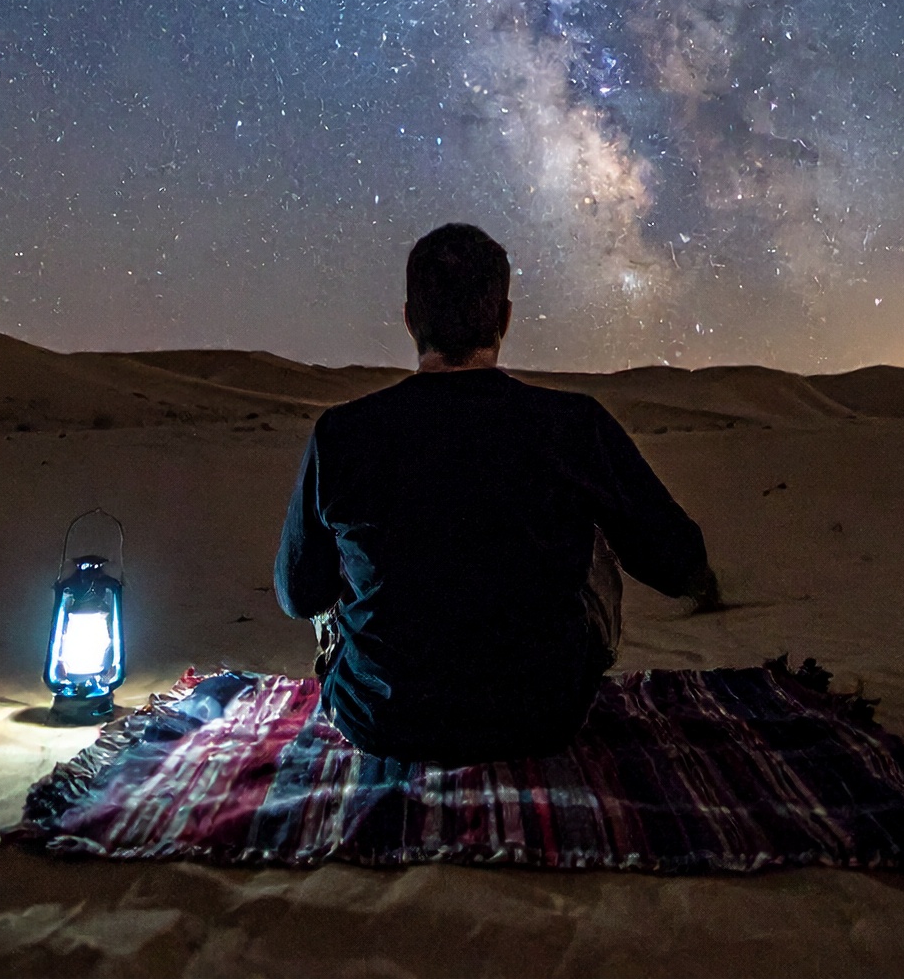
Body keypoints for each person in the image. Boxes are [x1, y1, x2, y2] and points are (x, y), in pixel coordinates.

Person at [274, 222, 721, 763]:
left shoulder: (342, 434)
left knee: (345, 558)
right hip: (544, 718)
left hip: (382, 720)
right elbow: (674, 559)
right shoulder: (573, 425)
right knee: (594, 542)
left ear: (410, 319)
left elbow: (299, 595)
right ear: (505, 319)